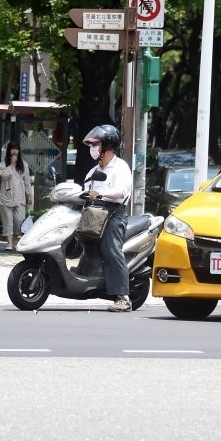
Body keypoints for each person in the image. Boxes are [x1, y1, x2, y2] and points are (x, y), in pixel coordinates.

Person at [82, 125, 133, 312]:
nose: (92, 148)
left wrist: (101, 193)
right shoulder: (94, 170)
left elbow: (121, 191)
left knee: (112, 250)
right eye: (91, 144)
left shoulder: (120, 167)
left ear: (107, 146)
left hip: (114, 214)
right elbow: (85, 190)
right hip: (95, 213)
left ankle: (123, 298)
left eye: (96, 144)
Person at [0, 141, 32, 251]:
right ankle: (9, 243)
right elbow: (3, 176)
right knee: (8, 220)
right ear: (9, 150)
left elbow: (27, 181)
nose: (14, 151)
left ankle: (15, 240)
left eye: (16, 148)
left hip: (20, 196)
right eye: (12, 148)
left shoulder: (24, 164)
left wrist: (29, 195)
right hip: (6, 196)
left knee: (19, 221)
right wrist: (12, 165)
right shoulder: (3, 164)